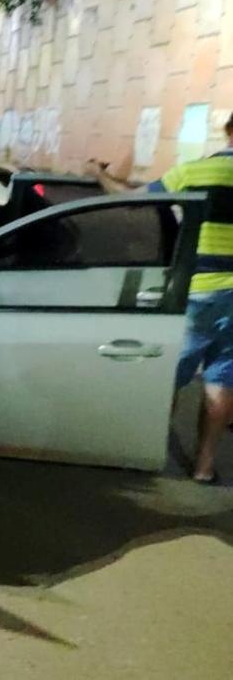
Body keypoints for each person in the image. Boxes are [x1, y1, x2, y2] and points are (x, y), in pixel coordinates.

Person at [87, 115, 233, 483]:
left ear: (229, 132)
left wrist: (99, 175)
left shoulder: (197, 171)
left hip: (201, 290)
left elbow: (134, 201)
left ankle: (148, 452)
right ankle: (204, 465)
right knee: (222, 380)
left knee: (167, 375)